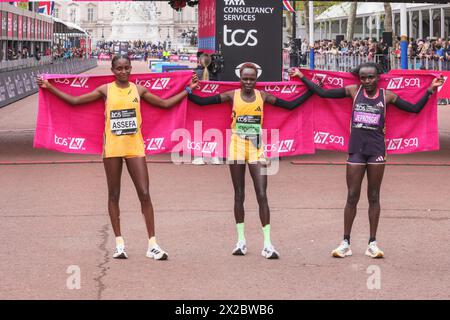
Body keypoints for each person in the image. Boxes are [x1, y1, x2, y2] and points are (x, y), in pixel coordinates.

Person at [36, 55, 199, 261]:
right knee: (114, 195)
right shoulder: (105, 90)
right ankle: (119, 244)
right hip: (112, 148)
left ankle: (153, 245)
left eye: (126, 68)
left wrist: (188, 90)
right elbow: (75, 101)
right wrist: (50, 88)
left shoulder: (138, 90)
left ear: (131, 69)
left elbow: (165, 105)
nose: (123, 71)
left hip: (134, 147)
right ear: (113, 71)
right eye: (119, 68)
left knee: (145, 193)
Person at [290, 63, 444, 259]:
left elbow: (414, 109)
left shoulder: (386, 96)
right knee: (352, 196)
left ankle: (372, 243)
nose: (367, 81)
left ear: (378, 77)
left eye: (371, 77)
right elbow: (323, 93)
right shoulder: (353, 91)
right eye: (363, 77)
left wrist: (430, 90)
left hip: (376, 151)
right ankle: (345, 242)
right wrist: (302, 76)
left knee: (374, 196)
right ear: (359, 79)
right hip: (356, 151)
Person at [188, 63, 314, 259]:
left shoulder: (262, 96)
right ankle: (241, 241)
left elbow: (290, 105)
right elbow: (203, 103)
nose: (248, 82)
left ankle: (267, 244)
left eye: (251, 79)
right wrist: (188, 90)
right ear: (240, 79)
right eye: (245, 79)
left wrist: (311, 90)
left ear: (256, 80)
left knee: (262, 194)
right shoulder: (232, 96)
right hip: (237, 148)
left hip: (256, 149)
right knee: (239, 194)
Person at [192, 53, 220, 165]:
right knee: (213, 131)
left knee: (198, 130)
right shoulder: (217, 76)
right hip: (212, 107)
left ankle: (199, 157)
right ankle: (215, 156)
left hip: (197, 106)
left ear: (199, 61)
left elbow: (188, 87)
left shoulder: (194, 74)